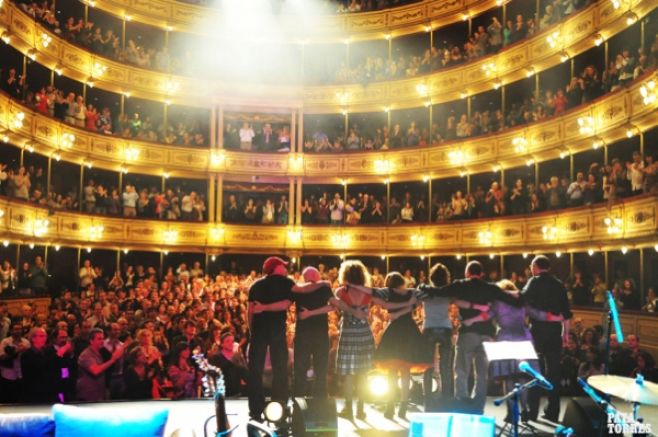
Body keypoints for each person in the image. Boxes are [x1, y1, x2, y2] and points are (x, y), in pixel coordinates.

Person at [418, 261, 519, 413]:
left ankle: (462, 403)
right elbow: (509, 299)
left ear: (467, 273)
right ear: (481, 273)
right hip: (487, 334)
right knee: (481, 373)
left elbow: (439, 291)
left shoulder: (461, 284)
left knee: (462, 370)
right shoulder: (491, 288)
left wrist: (423, 286)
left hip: (467, 333)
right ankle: (478, 407)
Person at [522, 255, 572, 422]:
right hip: (554, 333)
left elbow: (522, 302)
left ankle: (532, 411)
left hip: (537, 332)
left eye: (531, 266)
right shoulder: (559, 285)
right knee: (554, 373)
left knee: (535, 371)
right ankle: (553, 412)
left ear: (536, 266)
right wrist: (565, 334)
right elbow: (567, 314)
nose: (531, 269)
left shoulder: (533, 282)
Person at [247, 256, 294, 421]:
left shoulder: (256, 285)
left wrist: (252, 331)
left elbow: (250, 311)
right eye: (283, 266)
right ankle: (279, 406)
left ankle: (255, 409)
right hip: (277, 332)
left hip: (259, 331)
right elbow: (284, 305)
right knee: (280, 369)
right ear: (275, 268)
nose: (286, 268)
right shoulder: (287, 283)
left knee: (255, 371)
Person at [290, 266, 335, 398]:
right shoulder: (324, 287)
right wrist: (313, 313)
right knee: (321, 369)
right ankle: (320, 399)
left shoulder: (299, 290)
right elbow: (333, 306)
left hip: (303, 334)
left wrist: (309, 313)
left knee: (300, 369)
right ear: (317, 276)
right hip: (320, 334)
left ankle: (298, 399)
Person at [76, 328, 125, 401]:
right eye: (99, 339)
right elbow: (95, 371)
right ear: (91, 341)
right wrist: (112, 360)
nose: (102, 341)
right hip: (88, 394)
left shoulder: (101, 352)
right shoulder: (86, 355)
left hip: (99, 391)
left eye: (103, 339)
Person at [20, 327, 59, 403]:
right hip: (34, 393)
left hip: (48, 392)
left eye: (45, 336)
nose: (44, 338)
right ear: (33, 338)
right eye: (41, 336)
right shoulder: (27, 355)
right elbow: (38, 369)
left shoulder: (47, 352)